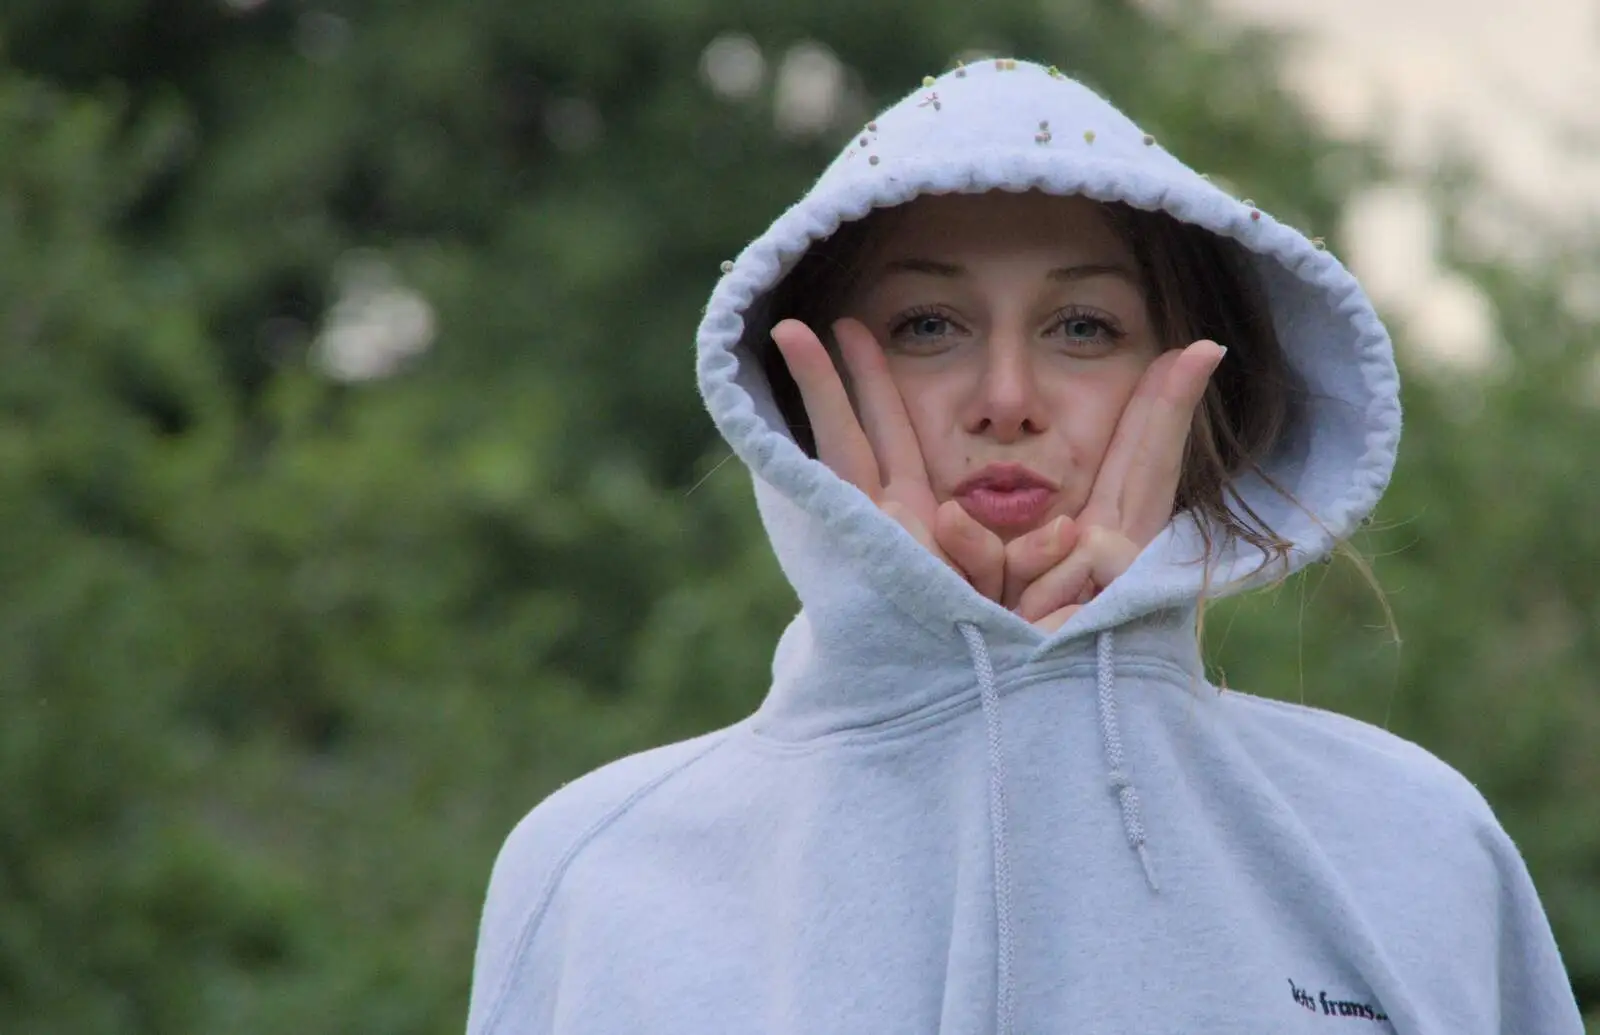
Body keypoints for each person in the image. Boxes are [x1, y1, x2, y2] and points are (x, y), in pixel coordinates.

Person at [466, 59, 1585, 1034]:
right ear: (795, 391)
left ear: (1195, 384)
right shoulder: (605, 869)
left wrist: (1063, 685)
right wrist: (926, 654)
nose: (1006, 399)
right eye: (927, 328)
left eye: (1082, 328)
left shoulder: (1413, 842)